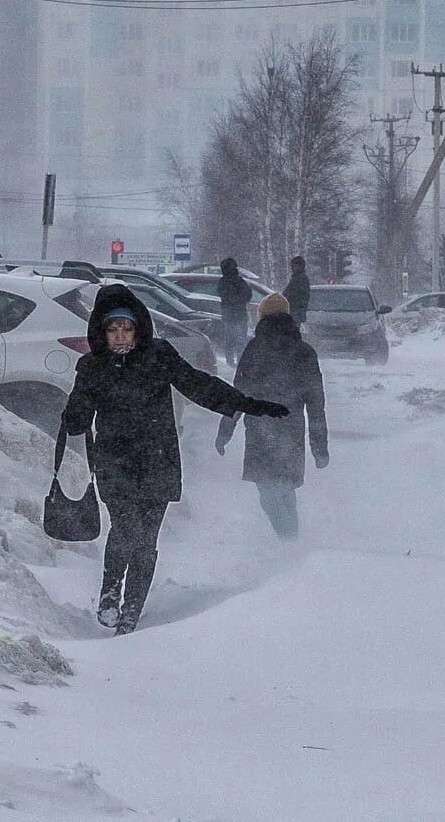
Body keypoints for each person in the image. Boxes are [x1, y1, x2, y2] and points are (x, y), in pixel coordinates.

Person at [62, 284, 289, 636]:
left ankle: (131, 610)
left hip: (157, 461)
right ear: (101, 332)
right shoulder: (93, 366)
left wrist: (245, 404)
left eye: (126, 328)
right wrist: (79, 401)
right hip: (114, 462)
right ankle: (109, 594)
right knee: (123, 528)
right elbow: (76, 419)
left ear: (138, 329)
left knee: (146, 538)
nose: (120, 336)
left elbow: (198, 385)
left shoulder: (158, 355)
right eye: (113, 329)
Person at [215, 293, 328, 540]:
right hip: (292, 430)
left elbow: (237, 395)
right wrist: (320, 447)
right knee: (285, 489)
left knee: (269, 494)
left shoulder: (254, 350)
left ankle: (289, 541)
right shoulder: (304, 351)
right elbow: (316, 404)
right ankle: (292, 542)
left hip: (259, 430)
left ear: (261, 318)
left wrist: (225, 431)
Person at [216, 256, 253, 364]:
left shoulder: (222, 282)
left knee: (230, 339)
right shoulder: (240, 281)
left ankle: (230, 361)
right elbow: (248, 295)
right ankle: (240, 361)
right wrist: (239, 301)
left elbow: (223, 295)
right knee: (241, 339)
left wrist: (232, 302)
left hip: (229, 316)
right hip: (240, 314)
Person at [282, 255, 310, 325]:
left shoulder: (301, 278)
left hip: (295, 312)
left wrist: (285, 299)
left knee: (292, 332)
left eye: (294, 265)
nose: (292, 268)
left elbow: (296, 295)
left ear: (300, 266)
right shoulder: (296, 277)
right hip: (293, 311)